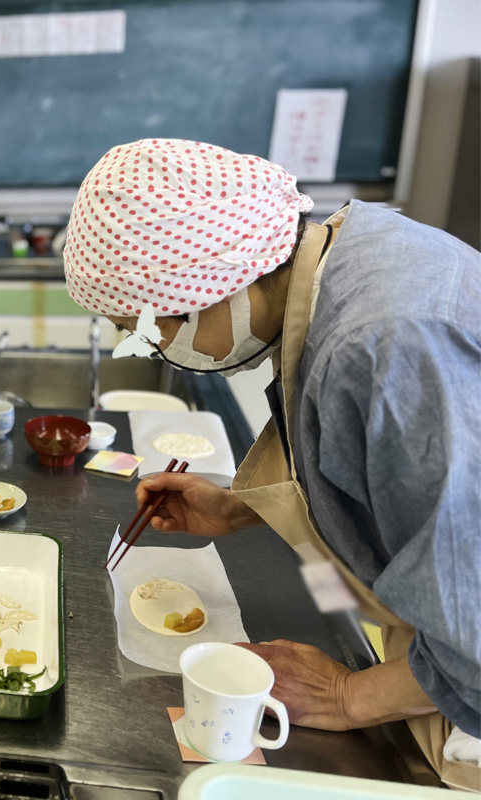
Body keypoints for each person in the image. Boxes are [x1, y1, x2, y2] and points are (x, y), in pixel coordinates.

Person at [63, 139, 480, 790]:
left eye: (150, 327)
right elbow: (387, 473)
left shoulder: (379, 349)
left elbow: (476, 642)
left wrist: (349, 697)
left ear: (209, 287)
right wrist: (237, 505)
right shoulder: (349, 247)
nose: (152, 346)